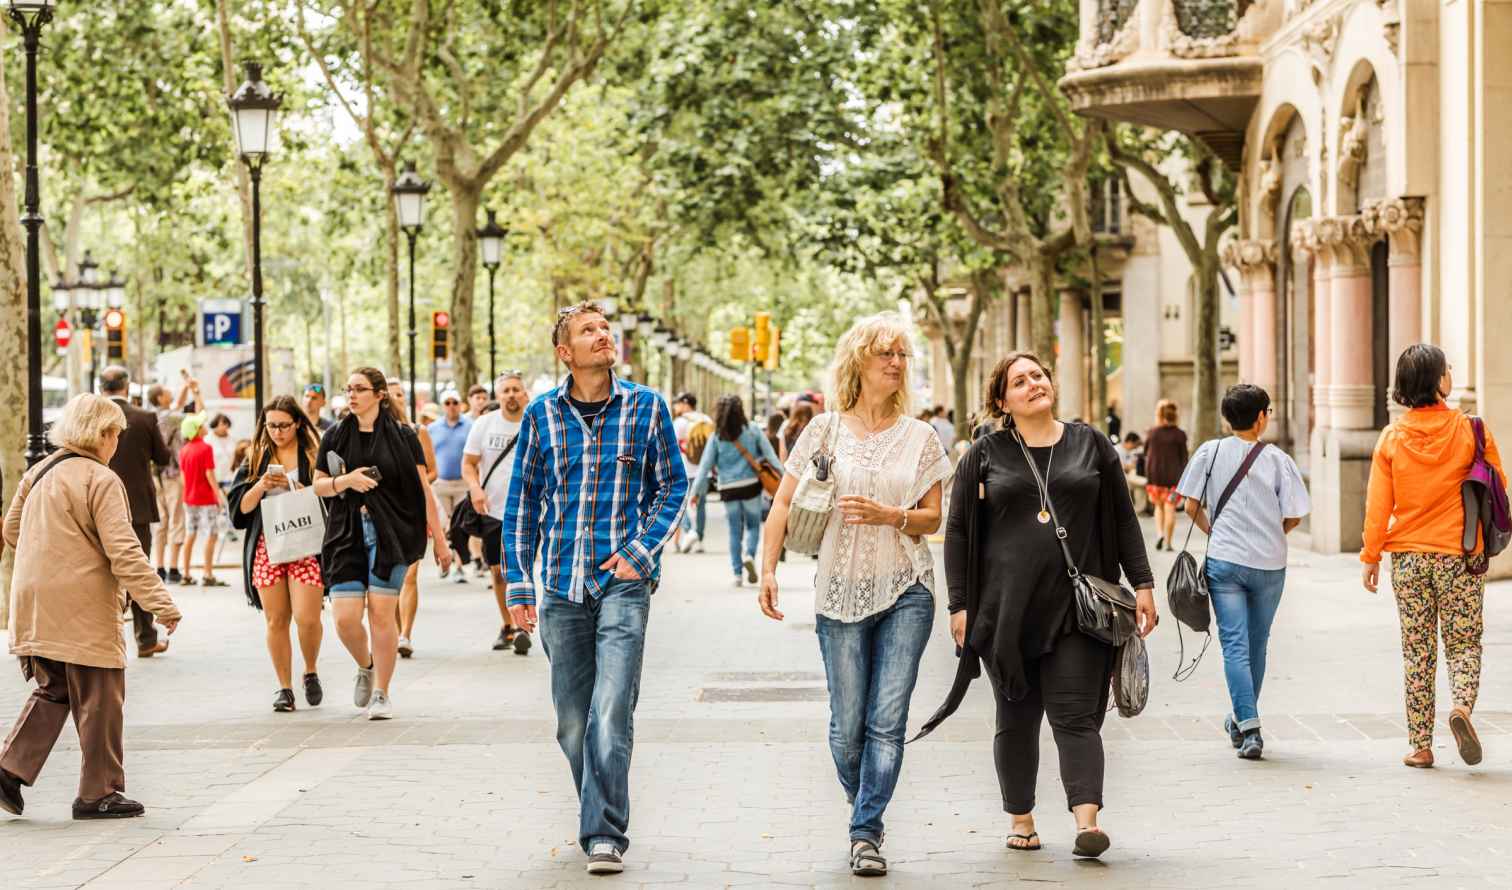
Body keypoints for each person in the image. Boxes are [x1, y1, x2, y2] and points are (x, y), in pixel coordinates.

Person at [928, 351, 1157, 861]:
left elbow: (1122, 518)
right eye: (1020, 380)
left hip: (1078, 612)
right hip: (1005, 611)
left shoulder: (1090, 444)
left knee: (1077, 717)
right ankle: (1022, 819)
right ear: (1002, 401)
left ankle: (1087, 822)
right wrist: (959, 606)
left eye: (1039, 375)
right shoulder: (982, 455)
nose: (1034, 384)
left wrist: (1142, 582)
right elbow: (959, 532)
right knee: (1016, 717)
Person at [758, 313, 951, 877]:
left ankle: (866, 830)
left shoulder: (921, 437)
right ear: (858, 361)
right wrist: (767, 571)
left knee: (886, 721)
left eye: (901, 355)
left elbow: (935, 516)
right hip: (837, 591)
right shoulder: (823, 431)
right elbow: (784, 506)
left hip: (906, 589)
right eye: (884, 353)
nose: (895, 362)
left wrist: (893, 515)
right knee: (847, 726)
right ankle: (862, 799)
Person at [502, 301, 688, 875]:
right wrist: (518, 580)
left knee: (611, 709)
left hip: (623, 585)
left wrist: (640, 552)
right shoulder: (541, 416)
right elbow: (522, 504)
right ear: (566, 352)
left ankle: (603, 834)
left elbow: (674, 489)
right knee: (573, 721)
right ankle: (600, 809)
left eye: (605, 328)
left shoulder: (647, 408)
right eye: (589, 331)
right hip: (559, 584)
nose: (602, 336)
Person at [0, 394, 182, 820]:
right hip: (80, 605)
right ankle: (98, 792)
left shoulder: (39, 470)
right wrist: (161, 603)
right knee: (101, 695)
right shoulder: (101, 480)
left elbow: (11, 530)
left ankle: (9, 769)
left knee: (56, 686)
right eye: (116, 434)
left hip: (33, 599)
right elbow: (125, 552)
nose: (117, 442)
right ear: (102, 434)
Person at [1361, 344, 1504, 769]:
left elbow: (1377, 504)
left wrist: (1371, 555)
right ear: (1438, 382)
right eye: (1447, 369)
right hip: (1458, 554)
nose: (1452, 372)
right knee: (1463, 641)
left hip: (1407, 557)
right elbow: (1497, 482)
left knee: (1417, 648)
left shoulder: (1392, 437)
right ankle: (1461, 707)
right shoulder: (1469, 430)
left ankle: (1420, 745)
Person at [1177, 385, 1310, 760]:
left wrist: (1215, 532)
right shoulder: (1278, 460)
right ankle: (1248, 725)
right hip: (1269, 564)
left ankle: (1245, 724)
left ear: (1226, 418)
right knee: (1257, 643)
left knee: (1234, 645)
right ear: (1262, 416)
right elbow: (1296, 513)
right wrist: (1272, 535)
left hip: (1225, 562)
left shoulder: (1209, 451)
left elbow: (1189, 505)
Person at [313, 367, 451, 720]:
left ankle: (381, 693)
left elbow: (423, 491)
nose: (352, 395)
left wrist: (440, 541)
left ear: (379, 395)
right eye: (348, 389)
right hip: (346, 532)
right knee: (344, 618)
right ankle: (366, 664)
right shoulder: (334, 435)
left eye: (359, 389)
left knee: (380, 614)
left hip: (392, 532)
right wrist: (347, 480)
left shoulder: (405, 436)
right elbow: (318, 485)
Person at [229, 396, 327, 713]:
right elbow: (239, 512)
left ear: (297, 422)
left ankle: (310, 670)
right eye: (271, 425)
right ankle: (284, 687)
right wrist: (259, 486)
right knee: (276, 619)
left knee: (307, 618)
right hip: (268, 547)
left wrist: (302, 490)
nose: (277, 432)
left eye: (284, 425)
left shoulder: (314, 455)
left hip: (307, 546)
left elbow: (333, 498)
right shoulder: (256, 457)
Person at [99, 366, 173, 657]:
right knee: (138, 569)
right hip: (137, 506)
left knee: (101, 572)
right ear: (127, 387)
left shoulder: (90, 417)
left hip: (96, 505)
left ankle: (104, 639)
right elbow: (164, 458)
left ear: (102, 387)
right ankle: (145, 638)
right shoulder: (144, 417)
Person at [462, 371, 529, 654]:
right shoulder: (485, 424)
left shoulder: (535, 423)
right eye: (506, 391)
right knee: (499, 571)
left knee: (523, 570)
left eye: (516, 390)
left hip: (529, 510)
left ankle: (524, 624)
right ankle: (509, 625)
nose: (511, 395)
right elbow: (468, 464)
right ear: (498, 396)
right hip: (492, 509)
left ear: (525, 394)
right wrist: (475, 489)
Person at [691, 395, 783, 587]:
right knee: (753, 525)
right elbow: (771, 458)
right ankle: (749, 554)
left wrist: (695, 492)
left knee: (734, 530)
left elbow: (705, 467)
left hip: (728, 488)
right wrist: (786, 479)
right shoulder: (752, 430)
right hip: (750, 486)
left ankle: (737, 573)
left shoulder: (717, 435)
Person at [387, 380, 439, 659]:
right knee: (392, 575)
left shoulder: (419, 432)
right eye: (389, 395)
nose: (393, 400)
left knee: (410, 574)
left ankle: (406, 633)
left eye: (398, 395)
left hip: (413, 510)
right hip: (385, 513)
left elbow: (433, 472)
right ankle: (394, 632)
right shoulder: (373, 434)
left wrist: (413, 485)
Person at [177, 413, 229, 587]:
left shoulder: (183, 450)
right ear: (197, 430)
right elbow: (209, 474)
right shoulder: (206, 448)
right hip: (206, 498)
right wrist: (219, 496)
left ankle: (186, 573)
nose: (205, 426)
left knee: (190, 534)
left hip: (189, 499)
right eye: (201, 424)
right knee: (212, 534)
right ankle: (207, 573)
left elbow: (183, 477)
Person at [427, 389, 474, 583]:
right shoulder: (433, 428)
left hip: (463, 484)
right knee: (444, 525)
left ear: (461, 404)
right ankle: (444, 561)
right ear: (442, 405)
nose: (452, 406)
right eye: (447, 403)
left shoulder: (470, 425)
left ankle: (459, 567)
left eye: (455, 402)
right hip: (441, 485)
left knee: (459, 527)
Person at [148, 378, 192, 582]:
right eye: (167, 391)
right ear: (160, 397)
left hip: (154, 475)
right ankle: (174, 568)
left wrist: (184, 386)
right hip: (173, 474)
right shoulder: (174, 418)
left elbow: (177, 405)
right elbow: (189, 413)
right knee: (176, 518)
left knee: (160, 520)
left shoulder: (150, 416)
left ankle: (160, 567)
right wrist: (190, 389)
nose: (171, 393)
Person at [671, 392, 712, 553]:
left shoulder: (680, 422)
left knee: (684, 504)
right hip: (704, 471)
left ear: (685, 404)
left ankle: (689, 533)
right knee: (701, 505)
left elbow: (672, 446)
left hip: (685, 470)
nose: (676, 406)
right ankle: (699, 539)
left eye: (678, 403)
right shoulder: (706, 420)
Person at [1145, 399, 1188, 550]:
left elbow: (1146, 453)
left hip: (1155, 478)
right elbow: (1184, 458)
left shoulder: (1152, 433)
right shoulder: (1180, 434)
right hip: (1174, 480)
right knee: (1170, 509)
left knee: (1158, 507)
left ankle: (1160, 534)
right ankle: (1168, 542)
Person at [207, 413, 237, 493]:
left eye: (226, 424)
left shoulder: (233, 439)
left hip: (230, 478)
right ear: (215, 425)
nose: (224, 427)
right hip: (215, 479)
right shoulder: (208, 440)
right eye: (222, 424)